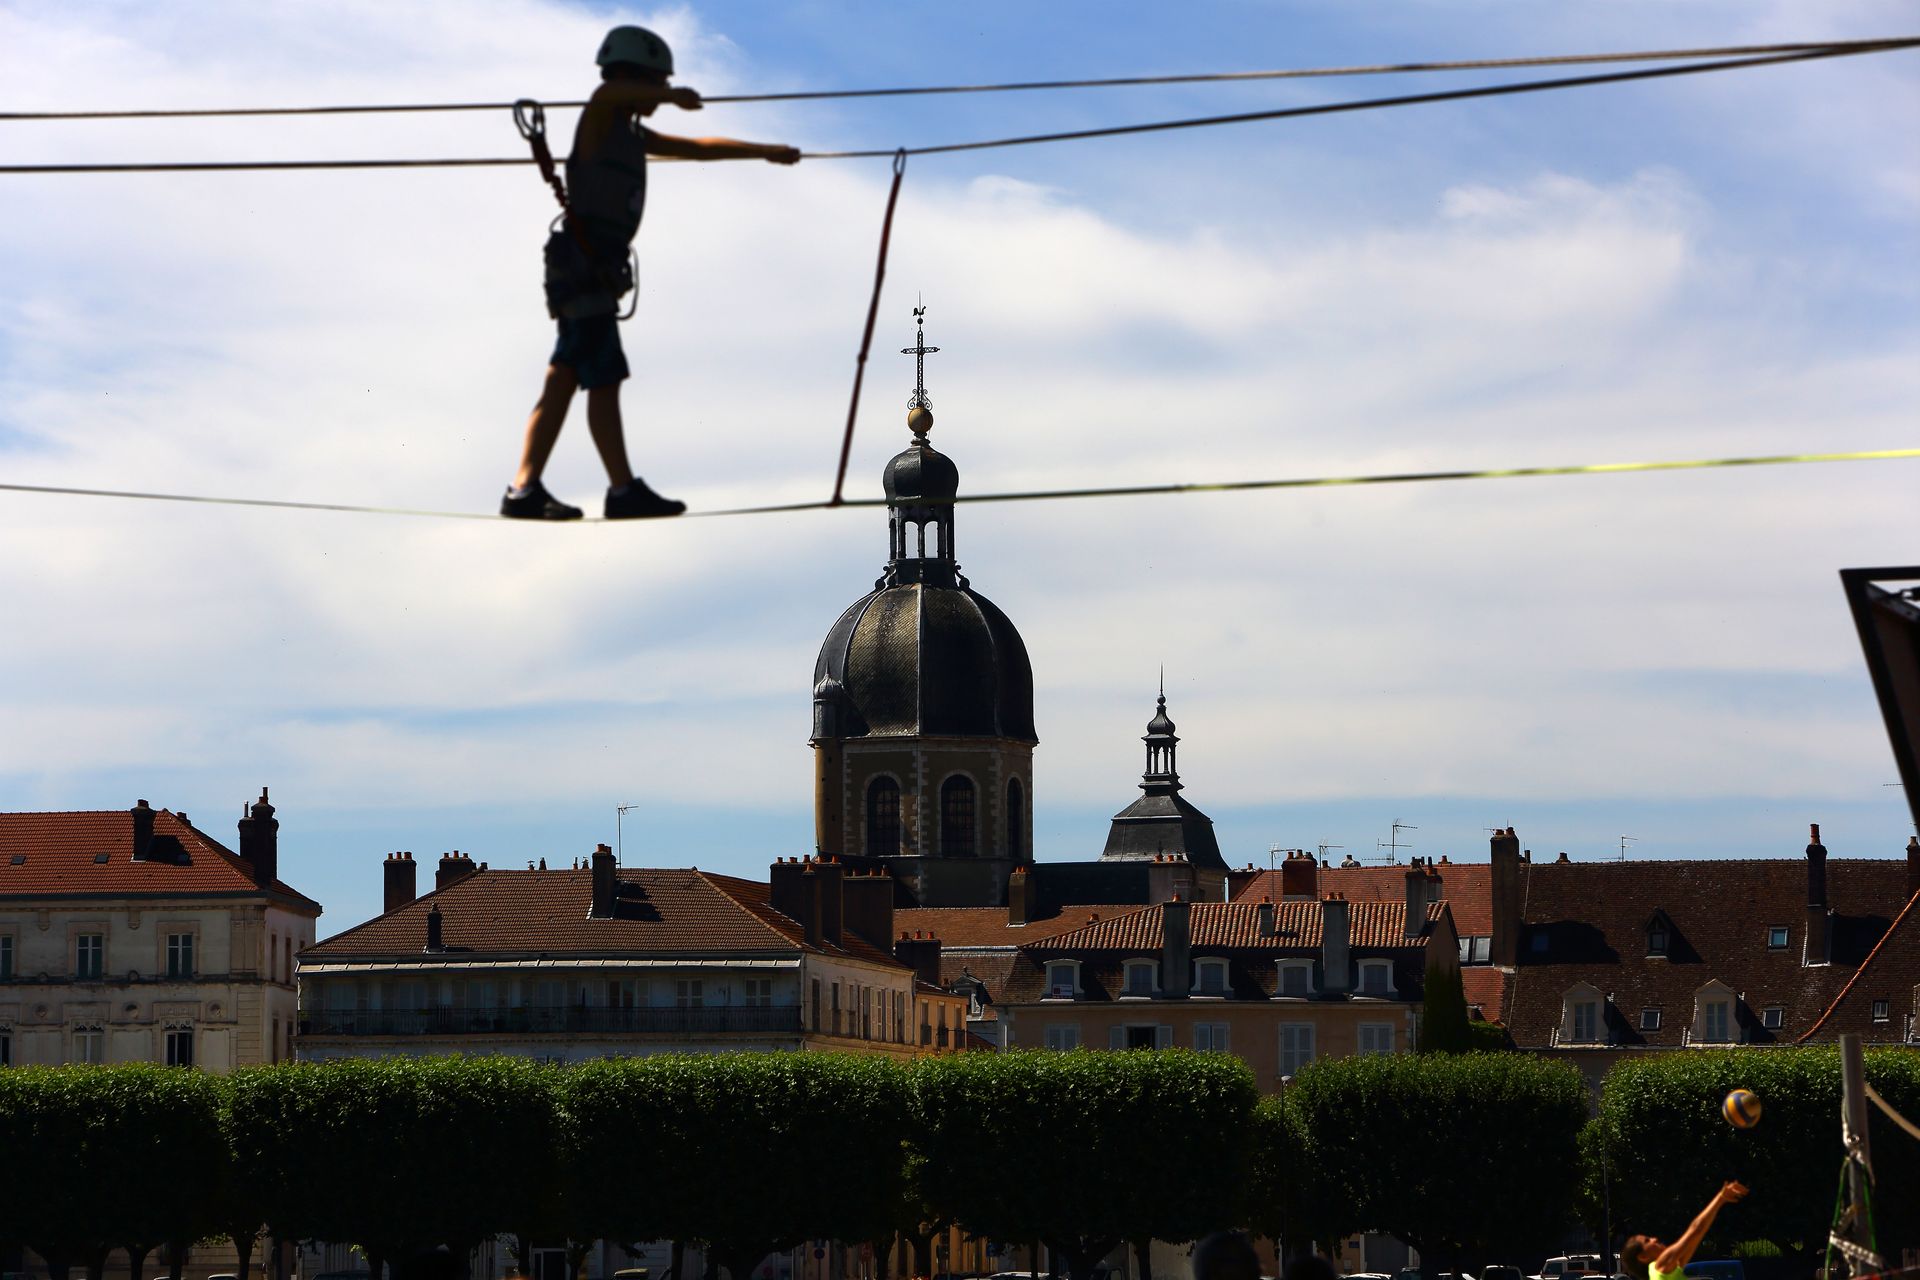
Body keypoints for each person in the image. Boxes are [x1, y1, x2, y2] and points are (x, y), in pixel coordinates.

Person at [503, 25, 800, 520]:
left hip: (587, 266)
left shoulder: (630, 133)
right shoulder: (600, 117)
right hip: (584, 262)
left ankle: (528, 487)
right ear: (637, 76)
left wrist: (763, 151)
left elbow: (700, 147)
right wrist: (671, 95)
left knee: (570, 375)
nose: (660, 96)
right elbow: (607, 92)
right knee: (601, 375)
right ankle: (617, 490)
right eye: (656, 84)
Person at [1620, 1180, 1749, 1280]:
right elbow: (1695, 1230)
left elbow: (1698, 1234)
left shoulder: (1667, 1270)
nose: (1654, 1239)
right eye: (1647, 1241)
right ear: (1643, 1257)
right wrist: (1720, 1198)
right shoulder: (1661, 1265)